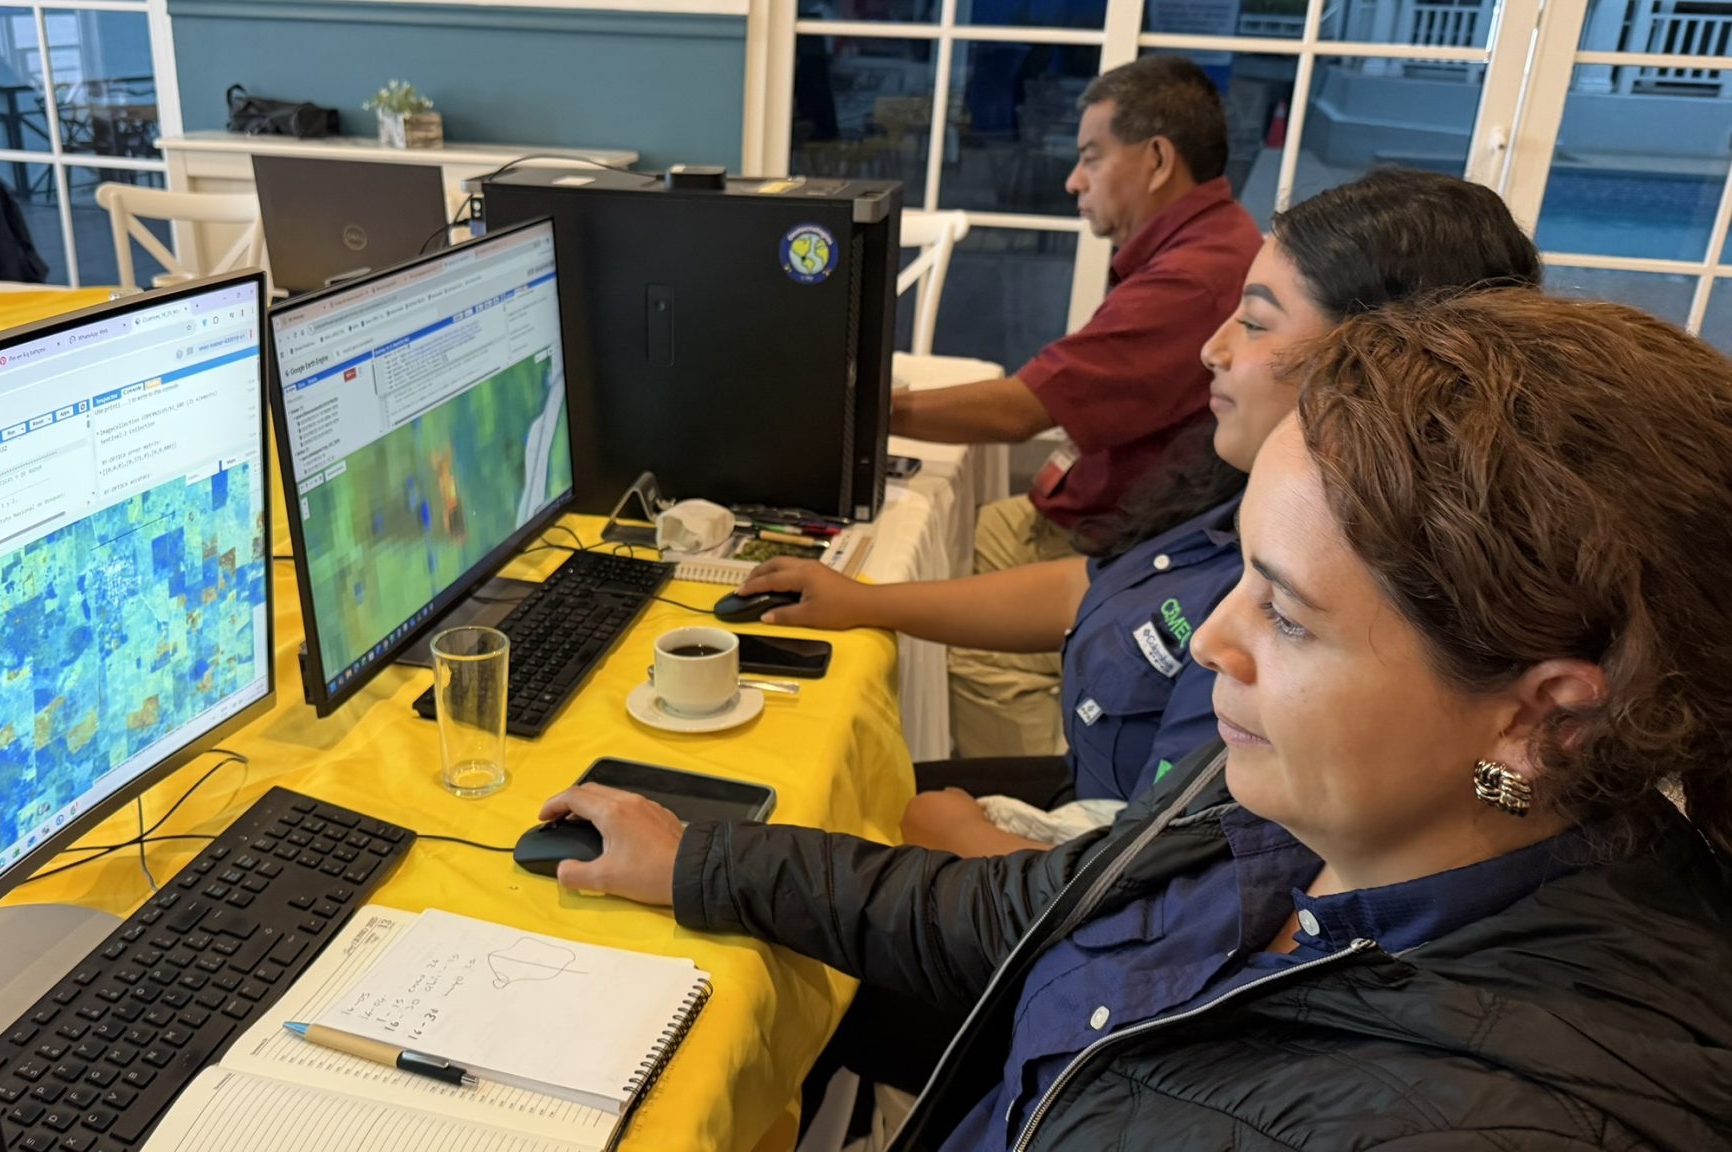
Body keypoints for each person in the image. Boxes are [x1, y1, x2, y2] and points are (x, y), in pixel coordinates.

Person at [542, 291, 1732, 1149]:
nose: (1210, 640)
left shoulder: (1491, 1111)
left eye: (1286, 614)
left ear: (1541, 721)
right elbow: (1026, 914)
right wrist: (701, 860)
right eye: (1240, 575)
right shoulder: (1323, 808)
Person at [745, 169, 1542, 859]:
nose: (1213, 350)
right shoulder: (1250, 498)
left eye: (1254, 323)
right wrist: (865, 602)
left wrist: (959, 840)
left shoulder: (1329, 614)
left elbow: (1161, 905)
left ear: (1376, 365)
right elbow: (1092, 586)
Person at [891, 54, 1262, 761]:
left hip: (1124, 536)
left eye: (1091, 157)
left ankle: (1049, 792)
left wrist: (867, 411)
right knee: (961, 529)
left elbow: (1020, 412)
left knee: (944, 613)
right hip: (1123, 508)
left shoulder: (1191, 278)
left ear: (1157, 160)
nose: (1073, 180)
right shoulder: (1209, 242)